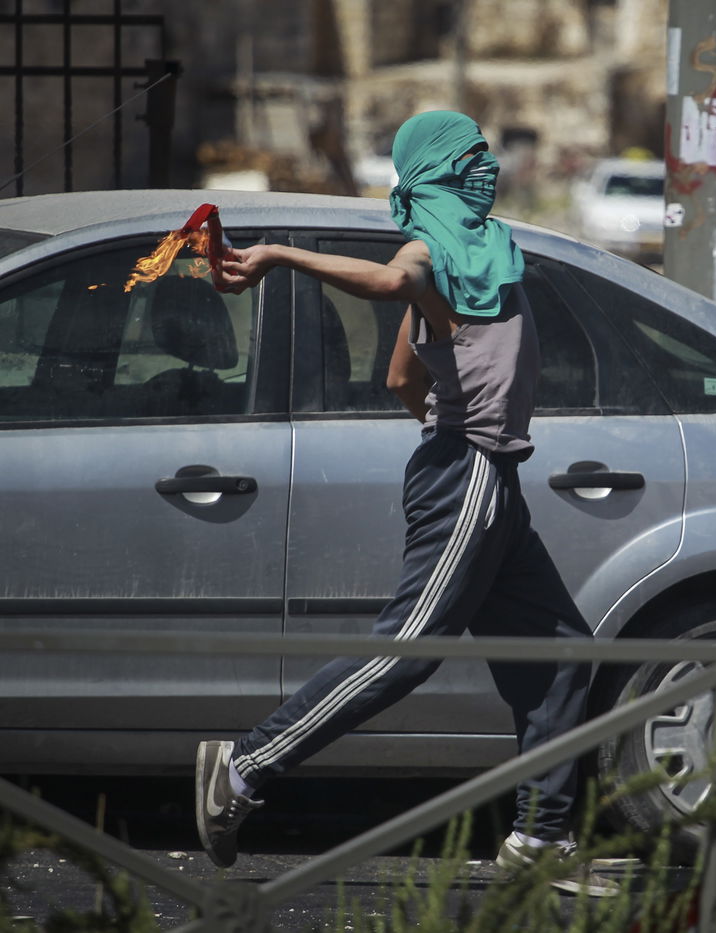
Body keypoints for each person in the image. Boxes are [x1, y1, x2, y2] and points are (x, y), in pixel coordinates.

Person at [195, 110, 616, 897]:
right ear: (434, 174)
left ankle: (539, 839)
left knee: (563, 651)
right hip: (470, 474)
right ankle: (246, 765)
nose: (487, 165)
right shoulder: (425, 252)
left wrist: (450, 416)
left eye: (488, 150)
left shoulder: (479, 257)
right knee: (408, 649)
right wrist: (281, 255)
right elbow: (394, 281)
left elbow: (402, 379)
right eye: (471, 156)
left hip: (487, 474)